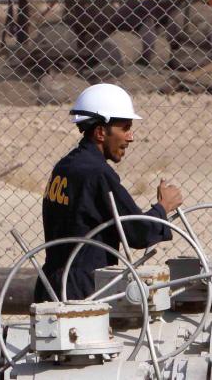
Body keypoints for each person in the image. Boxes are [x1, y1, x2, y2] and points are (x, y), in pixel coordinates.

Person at [34, 83, 183, 303]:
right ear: (101, 132)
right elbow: (137, 231)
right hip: (84, 291)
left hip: (50, 285)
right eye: (125, 128)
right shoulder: (98, 174)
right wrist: (163, 207)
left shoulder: (65, 166)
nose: (130, 137)